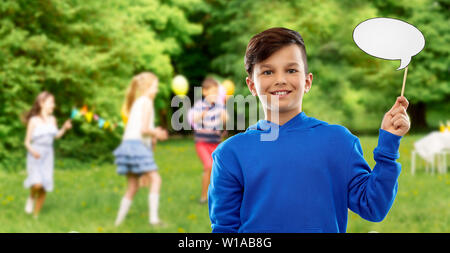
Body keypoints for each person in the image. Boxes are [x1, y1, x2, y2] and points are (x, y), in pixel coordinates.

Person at [208, 27, 411, 233]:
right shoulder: (230, 154)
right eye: (268, 71)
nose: (280, 79)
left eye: (291, 70)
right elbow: (224, 229)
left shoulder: (339, 141)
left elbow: (373, 206)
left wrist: (388, 147)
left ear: (307, 81)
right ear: (252, 85)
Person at [113, 72, 168, 226]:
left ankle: (118, 222)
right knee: (156, 179)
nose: (156, 90)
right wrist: (157, 132)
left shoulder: (138, 102)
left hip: (127, 145)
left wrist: (153, 135)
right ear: (147, 87)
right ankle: (154, 220)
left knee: (132, 186)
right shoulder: (147, 102)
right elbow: (144, 129)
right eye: (155, 87)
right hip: (136, 145)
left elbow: (141, 130)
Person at [23, 91, 72, 218]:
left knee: (44, 185)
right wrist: (33, 151)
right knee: (37, 184)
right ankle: (31, 197)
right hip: (35, 154)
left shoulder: (53, 119)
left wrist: (64, 128)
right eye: (51, 102)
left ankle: (35, 217)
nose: (53, 105)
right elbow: (27, 142)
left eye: (53, 103)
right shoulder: (33, 121)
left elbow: (56, 136)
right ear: (41, 103)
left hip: (48, 155)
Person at [191, 78, 228, 204]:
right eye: (213, 92)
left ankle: (215, 195)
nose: (215, 95)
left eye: (217, 92)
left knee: (217, 169)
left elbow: (225, 120)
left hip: (215, 142)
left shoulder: (219, 106)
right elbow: (194, 120)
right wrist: (203, 113)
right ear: (204, 92)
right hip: (202, 142)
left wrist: (223, 110)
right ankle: (203, 197)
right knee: (208, 165)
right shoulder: (199, 105)